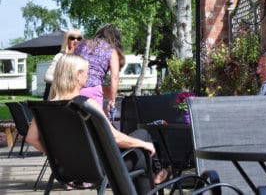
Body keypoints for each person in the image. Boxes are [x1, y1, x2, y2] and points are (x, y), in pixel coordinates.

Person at [26, 54, 168, 193]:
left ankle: (157, 170)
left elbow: (31, 138)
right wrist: (144, 144)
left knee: (142, 145)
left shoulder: (46, 107)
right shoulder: (85, 104)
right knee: (142, 148)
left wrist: (58, 156)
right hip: (99, 169)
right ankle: (158, 171)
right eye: (87, 72)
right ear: (78, 74)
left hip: (68, 169)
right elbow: (115, 138)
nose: (88, 77)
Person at [74, 24, 125, 113]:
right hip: (92, 91)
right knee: (95, 124)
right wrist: (112, 100)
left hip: (73, 89)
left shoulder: (82, 44)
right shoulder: (111, 50)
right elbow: (114, 77)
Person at [43, 29, 82, 100]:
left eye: (79, 38)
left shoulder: (83, 58)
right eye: (72, 38)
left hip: (75, 97)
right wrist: (66, 82)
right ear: (67, 40)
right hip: (58, 97)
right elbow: (47, 77)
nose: (76, 41)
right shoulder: (60, 56)